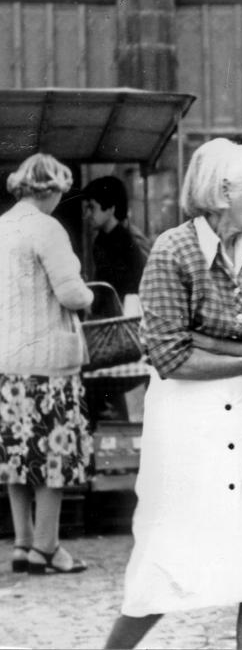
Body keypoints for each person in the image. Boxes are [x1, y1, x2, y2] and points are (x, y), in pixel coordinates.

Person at [105, 138, 242, 650]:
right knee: (168, 564)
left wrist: (225, 345)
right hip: (190, 428)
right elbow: (168, 355)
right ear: (220, 192)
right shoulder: (174, 250)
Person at [0, 154, 95, 576]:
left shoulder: (2, 226)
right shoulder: (48, 228)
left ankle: (21, 544)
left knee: (17, 456)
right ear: (51, 190)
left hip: (6, 359)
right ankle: (48, 547)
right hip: (48, 362)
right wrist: (90, 296)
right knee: (53, 456)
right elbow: (72, 294)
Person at [82, 175, 148, 314]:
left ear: (110, 208)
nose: (87, 214)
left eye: (92, 207)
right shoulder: (101, 239)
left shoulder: (128, 240)